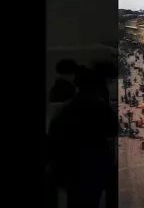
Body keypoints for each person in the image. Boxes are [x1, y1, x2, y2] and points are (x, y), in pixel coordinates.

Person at [48, 65, 118, 208]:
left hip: (70, 169)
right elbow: (113, 131)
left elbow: (53, 138)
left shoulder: (64, 110)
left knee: (74, 201)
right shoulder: (102, 109)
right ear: (98, 88)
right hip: (95, 167)